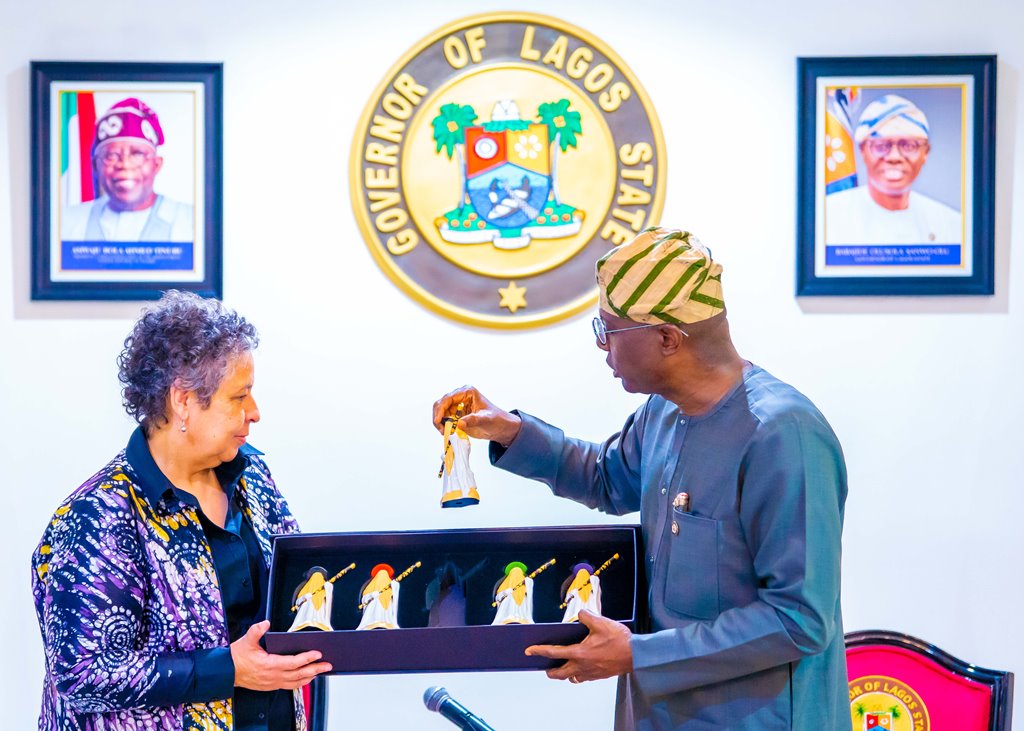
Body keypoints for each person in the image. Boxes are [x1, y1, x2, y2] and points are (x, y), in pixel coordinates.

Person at [433, 227, 849, 730]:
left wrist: (640, 655)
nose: (601, 345)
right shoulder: (663, 413)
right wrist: (510, 430)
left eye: (608, 329)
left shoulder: (783, 435)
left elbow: (799, 619)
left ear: (668, 338)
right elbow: (607, 478)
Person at [31, 290, 330, 731]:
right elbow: (84, 674)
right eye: (239, 397)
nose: (255, 413)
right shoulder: (96, 516)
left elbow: (295, 591)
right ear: (184, 400)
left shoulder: (254, 478)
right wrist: (228, 669)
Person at [826, 94, 961, 245]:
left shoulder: (952, 226)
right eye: (881, 146)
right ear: (862, 151)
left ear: (926, 153)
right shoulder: (827, 219)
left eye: (909, 146)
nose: (894, 157)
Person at [61, 97, 194, 242]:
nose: (124, 164)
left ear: (156, 164)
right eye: (111, 155)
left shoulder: (193, 223)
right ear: (95, 166)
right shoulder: (65, 223)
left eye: (137, 154)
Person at [288, 567, 334, 632]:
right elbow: (298, 603)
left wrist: (328, 588)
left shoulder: (325, 589)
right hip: (305, 617)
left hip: (319, 618)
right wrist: (304, 597)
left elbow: (328, 603)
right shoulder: (305, 590)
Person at [356, 564, 400, 630]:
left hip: (386, 616)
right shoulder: (369, 587)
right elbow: (364, 599)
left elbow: (395, 598)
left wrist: (395, 587)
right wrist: (371, 595)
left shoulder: (391, 586)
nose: (382, 577)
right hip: (372, 615)